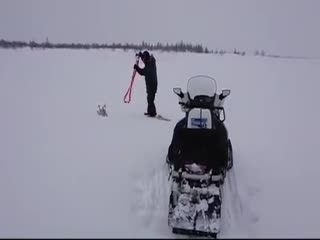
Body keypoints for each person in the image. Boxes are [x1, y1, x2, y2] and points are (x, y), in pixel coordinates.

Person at [134, 51, 158, 117]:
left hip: (152, 84)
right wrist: (141, 55)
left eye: (144, 58)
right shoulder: (149, 61)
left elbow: (143, 72)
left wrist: (137, 68)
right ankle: (150, 111)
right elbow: (145, 60)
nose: (143, 60)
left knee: (150, 99)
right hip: (150, 84)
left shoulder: (150, 65)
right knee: (149, 98)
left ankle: (152, 113)